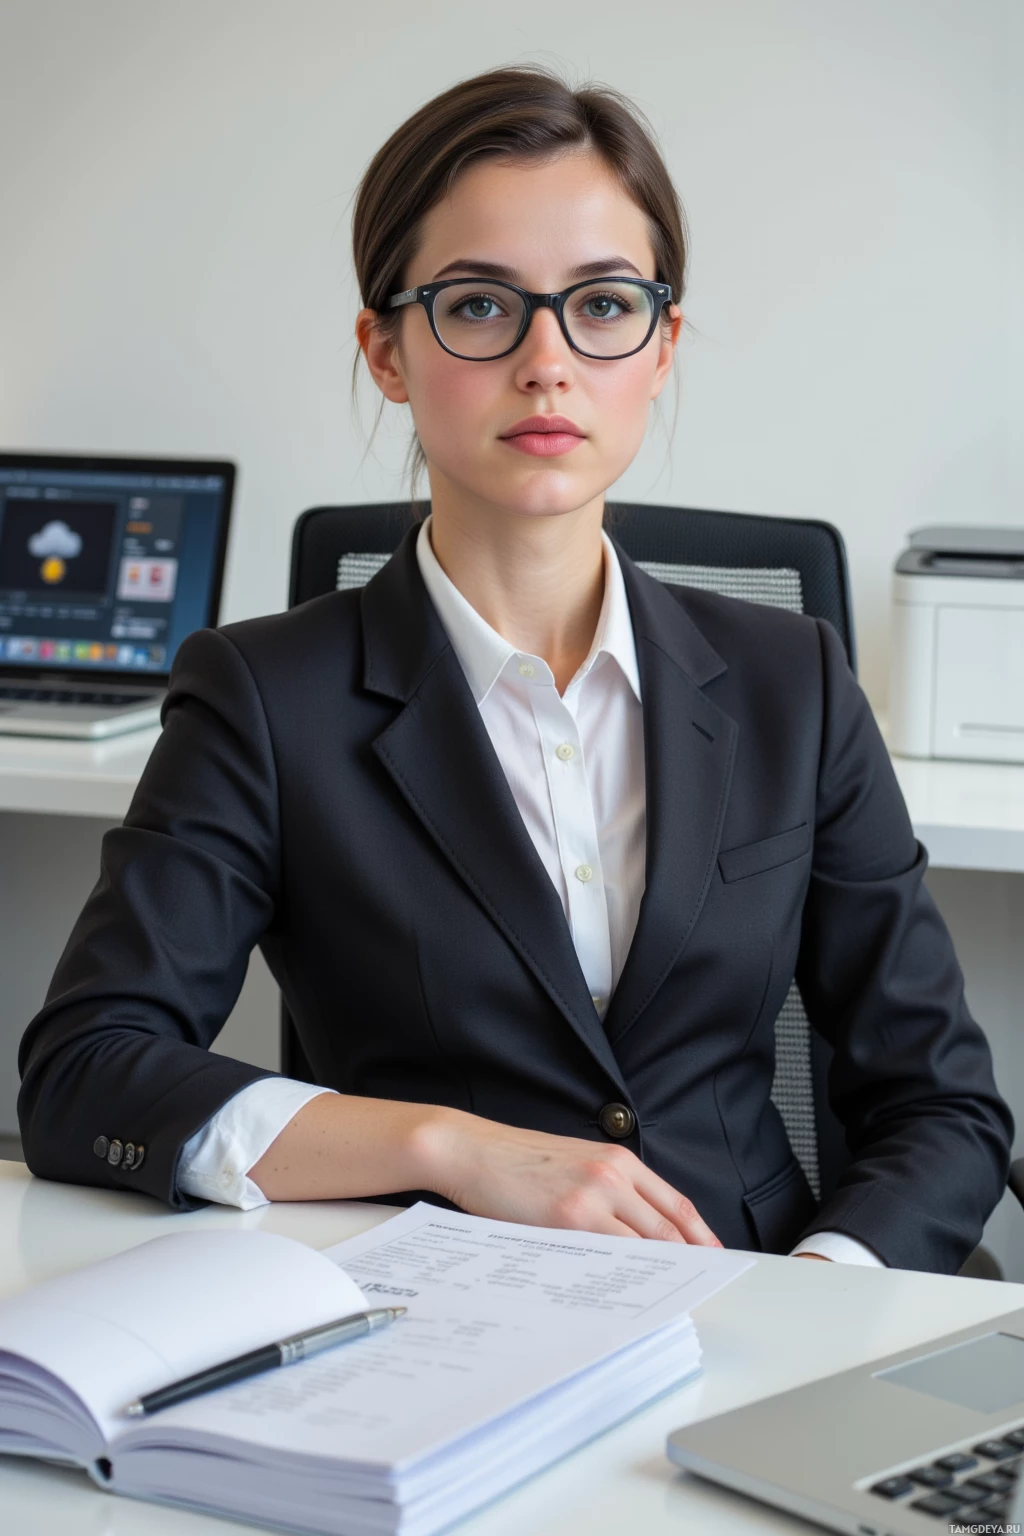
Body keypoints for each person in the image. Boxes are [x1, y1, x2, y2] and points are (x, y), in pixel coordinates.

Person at [17, 65, 1013, 1272]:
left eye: (601, 306)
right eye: (481, 307)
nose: (548, 360)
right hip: (424, 1328)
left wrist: (816, 1296)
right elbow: (86, 1073)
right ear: (387, 352)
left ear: (659, 348)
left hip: (756, 1299)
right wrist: (446, 1146)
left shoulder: (788, 683)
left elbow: (941, 1108)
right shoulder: (262, 697)